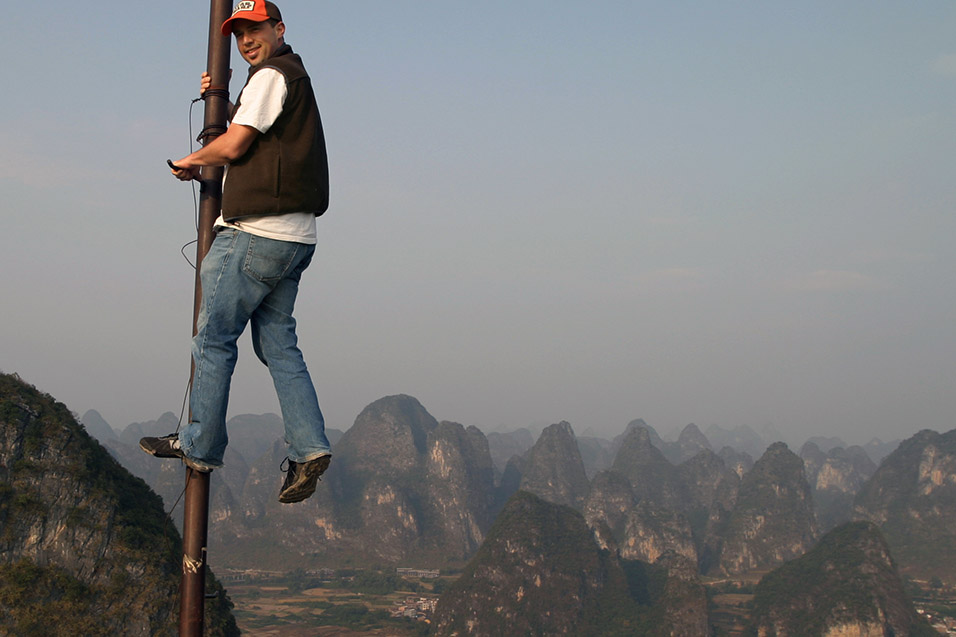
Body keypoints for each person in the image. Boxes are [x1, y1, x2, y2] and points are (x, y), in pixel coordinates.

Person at [140, 0, 331, 504]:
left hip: (254, 233)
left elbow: (235, 146)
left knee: (214, 339)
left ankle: (199, 443)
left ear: (279, 28)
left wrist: (189, 160)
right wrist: (222, 105)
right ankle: (310, 447)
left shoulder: (272, 75)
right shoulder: (290, 78)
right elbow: (255, 130)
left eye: (255, 30)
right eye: (239, 34)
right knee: (277, 346)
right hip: (296, 239)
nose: (246, 41)